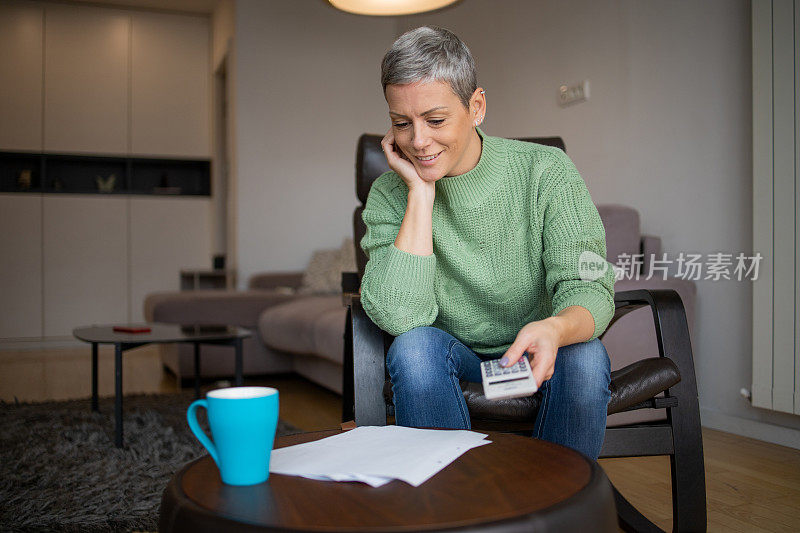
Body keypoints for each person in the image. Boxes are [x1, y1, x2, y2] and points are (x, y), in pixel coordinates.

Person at [359, 26, 615, 460]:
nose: (418, 141)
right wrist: (421, 193)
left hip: (535, 354)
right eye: (402, 124)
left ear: (476, 106)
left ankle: (555, 509)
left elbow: (588, 285)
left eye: (435, 120)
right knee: (414, 349)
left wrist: (555, 328)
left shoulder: (545, 171)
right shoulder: (390, 192)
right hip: (453, 359)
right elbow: (401, 317)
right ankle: (453, 509)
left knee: (586, 357)